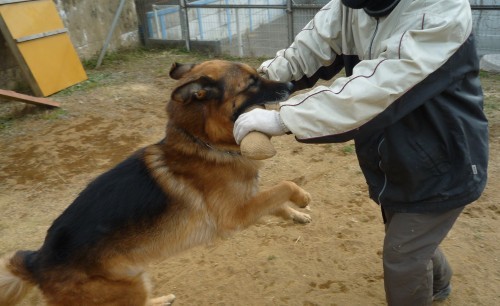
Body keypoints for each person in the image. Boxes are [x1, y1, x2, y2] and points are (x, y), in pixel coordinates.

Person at [233, 0, 489, 305]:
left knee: (403, 254)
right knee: (408, 234)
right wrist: (256, 88)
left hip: (445, 160)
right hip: (395, 158)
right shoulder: (350, 7)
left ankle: (430, 287)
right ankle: (439, 284)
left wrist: (281, 118)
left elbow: (379, 89)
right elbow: (309, 49)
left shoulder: (439, 11)